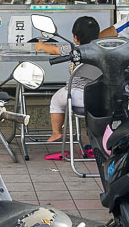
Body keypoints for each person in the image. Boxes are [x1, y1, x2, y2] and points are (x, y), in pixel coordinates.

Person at [34, 15, 102, 143]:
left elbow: (54, 50)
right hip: (98, 98)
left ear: (76, 38)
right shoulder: (101, 50)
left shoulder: (72, 49)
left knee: (55, 101)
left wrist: (41, 46)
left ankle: (56, 132)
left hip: (75, 96)